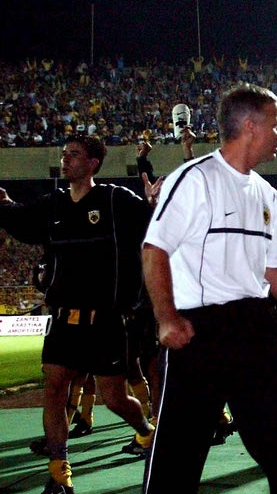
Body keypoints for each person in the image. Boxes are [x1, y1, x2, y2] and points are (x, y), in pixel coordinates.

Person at [140, 83, 277, 494]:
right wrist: (166, 318)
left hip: (254, 328)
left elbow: (273, 265)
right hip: (198, 332)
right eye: (276, 124)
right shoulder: (194, 179)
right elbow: (154, 250)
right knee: (177, 456)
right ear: (249, 126)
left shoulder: (267, 195)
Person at [0, 135, 157, 494]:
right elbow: (22, 222)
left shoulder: (115, 201)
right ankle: (60, 473)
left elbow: (154, 224)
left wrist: (155, 205)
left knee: (115, 399)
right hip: (63, 320)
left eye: (74, 154)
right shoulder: (53, 205)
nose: (65, 159)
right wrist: (5, 205)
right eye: (64, 154)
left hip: (105, 322)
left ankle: (147, 432)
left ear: (93, 164)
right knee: (55, 388)